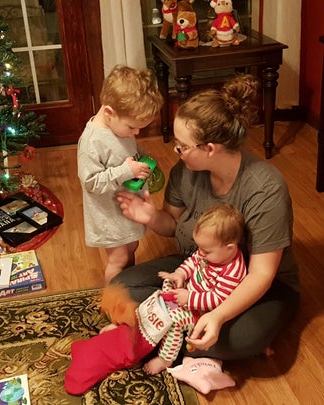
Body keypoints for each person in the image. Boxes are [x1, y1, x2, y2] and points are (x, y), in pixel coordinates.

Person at [113, 73, 300, 361]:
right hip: (200, 267)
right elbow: (173, 225)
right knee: (119, 288)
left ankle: (174, 330)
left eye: (182, 146)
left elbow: (262, 273)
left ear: (210, 149)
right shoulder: (184, 171)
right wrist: (151, 217)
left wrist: (219, 315)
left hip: (259, 284)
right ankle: (186, 330)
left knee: (235, 340)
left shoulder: (265, 188)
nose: (176, 152)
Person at [77, 65, 164, 283]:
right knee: (118, 258)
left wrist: (142, 157)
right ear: (109, 113)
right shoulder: (92, 142)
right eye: (132, 128)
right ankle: (113, 301)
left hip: (126, 207)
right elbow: (91, 182)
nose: (135, 133)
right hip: (108, 214)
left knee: (132, 247)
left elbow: (126, 150)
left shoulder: (119, 126)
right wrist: (126, 171)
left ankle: (129, 285)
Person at [143, 203, 247, 374]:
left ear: (230, 248)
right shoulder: (208, 250)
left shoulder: (233, 271)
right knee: (166, 287)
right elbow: (193, 261)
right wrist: (180, 274)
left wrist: (190, 298)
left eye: (206, 251)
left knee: (175, 322)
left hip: (203, 312)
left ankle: (166, 358)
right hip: (191, 291)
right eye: (200, 248)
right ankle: (151, 320)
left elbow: (218, 299)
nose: (201, 253)